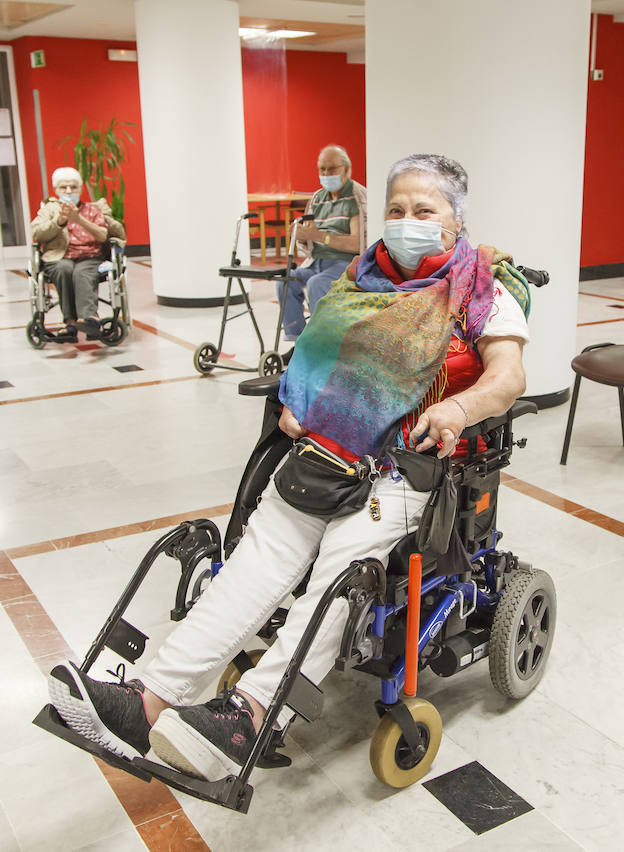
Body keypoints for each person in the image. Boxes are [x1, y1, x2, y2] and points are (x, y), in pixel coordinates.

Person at [46, 153, 531, 781]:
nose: (406, 221)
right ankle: (147, 699)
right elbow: (315, 358)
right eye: (395, 209)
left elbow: (508, 377)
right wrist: (297, 403)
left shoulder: (484, 294)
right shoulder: (359, 281)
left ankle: (252, 712)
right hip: (329, 454)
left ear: (454, 221)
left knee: (342, 570)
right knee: (258, 555)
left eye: (423, 210)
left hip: (415, 470)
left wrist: (460, 407)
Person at [280, 144, 367, 340]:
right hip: (315, 263)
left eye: (332, 168)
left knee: (316, 283)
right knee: (285, 281)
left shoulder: (356, 196)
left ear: (346, 169)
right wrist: (300, 236)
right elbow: (308, 243)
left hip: (346, 264)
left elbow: (358, 244)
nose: (326, 173)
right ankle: (299, 342)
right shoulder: (317, 198)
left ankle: (322, 345)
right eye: (322, 169)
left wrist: (319, 236)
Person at [31, 167, 124, 340]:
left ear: (80, 189)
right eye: (63, 188)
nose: (69, 191)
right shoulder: (49, 210)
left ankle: (90, 319)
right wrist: (60, 221)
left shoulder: (92, 209)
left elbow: (103, 235)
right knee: (64, 270)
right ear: (56, 190)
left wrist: (78, 219)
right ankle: (70, 322)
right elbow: (36, 234)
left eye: (73, 187)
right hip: (59, 257)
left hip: (90, 256)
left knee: (82, 272)